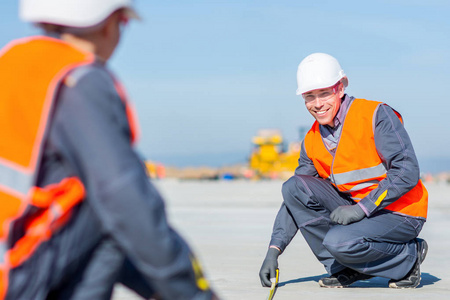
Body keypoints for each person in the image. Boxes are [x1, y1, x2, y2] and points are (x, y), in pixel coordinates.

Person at [0, 0, 217, 299]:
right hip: (14, 274)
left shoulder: (12, 61)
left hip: (11, 250)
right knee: (109, 204)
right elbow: (127, 201)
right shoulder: (79, 80)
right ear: (108, 22)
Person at [259, 53, 428, 289]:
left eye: (324, 93)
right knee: (293, 186)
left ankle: (407, 258)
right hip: (359, 210)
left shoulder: (375, 115)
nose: (317, 104)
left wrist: (362, 208)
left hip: (401, 211)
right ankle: (346, 268)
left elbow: (407, 170)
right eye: (309, 97)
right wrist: (274, 250)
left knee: (339, 242)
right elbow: (294, 197)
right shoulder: (312, 140)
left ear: (340, 88)